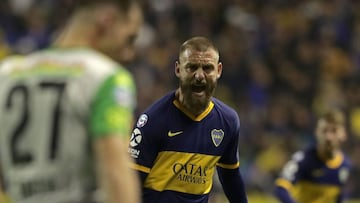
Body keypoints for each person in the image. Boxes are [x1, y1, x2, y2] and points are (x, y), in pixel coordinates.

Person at [0, 0, 143, 202]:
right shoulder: (105, 77)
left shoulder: (7, 74)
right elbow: (115, 173)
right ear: (107, 20)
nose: (129, 53)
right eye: (130, 39)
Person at [128, 36, 248, 203]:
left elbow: (230, 176)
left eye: (207, 68)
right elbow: (130, 183)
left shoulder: (227, 121)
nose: (199, 75)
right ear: (178, 69)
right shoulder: (152, 120)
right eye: (191, 67)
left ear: (219, 70)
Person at [274, 109, 351, 203]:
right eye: (324, 131)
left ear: (344, 134)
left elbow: (339, 196)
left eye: (334, 131)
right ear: (316, 132)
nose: (328, 137)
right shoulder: (303, 160)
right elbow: (281, 188)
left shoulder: (345, 165)